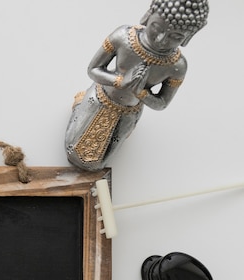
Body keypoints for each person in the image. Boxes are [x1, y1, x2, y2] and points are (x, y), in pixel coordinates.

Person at [65, 0, 209, 171]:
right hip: (100, 97)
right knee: (72, 148)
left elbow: (162, 103)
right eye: (157, 27)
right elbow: (93, 70)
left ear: (189, 36)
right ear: (148, 15)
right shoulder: (123, 37)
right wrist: (120, 81)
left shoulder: (177, 66)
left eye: (175, 36)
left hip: (129, 111)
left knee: (96, 164)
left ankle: (127, 128)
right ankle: (80, 104)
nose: (161, 40)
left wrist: (141, 93)